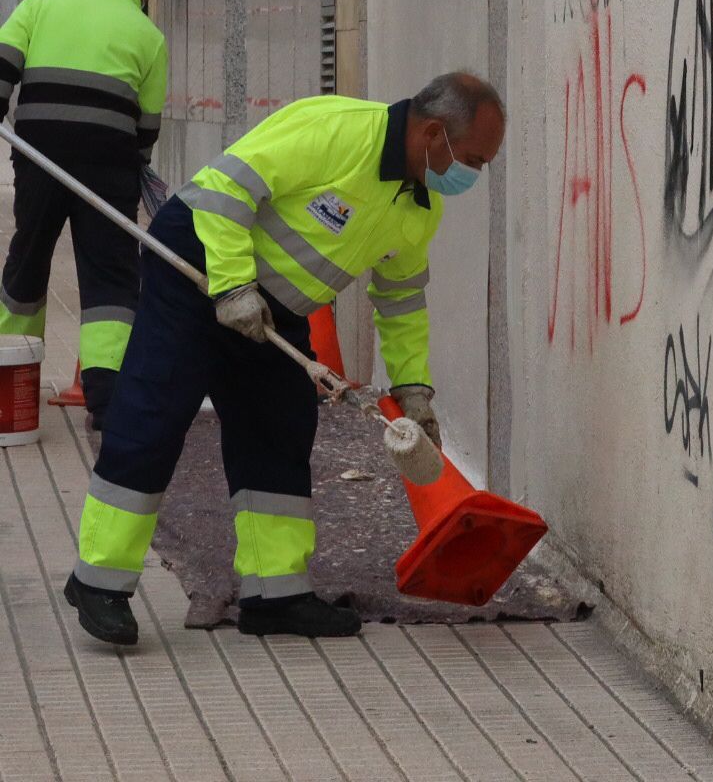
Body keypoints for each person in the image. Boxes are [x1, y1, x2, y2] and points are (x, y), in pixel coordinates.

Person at [63, 72, 505, 645]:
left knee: (280, 427)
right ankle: (98, 580)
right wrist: (230, 285)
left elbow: (399, 301)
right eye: (473, 158)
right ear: (433, 134)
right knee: (154, 414)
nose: (474, 174)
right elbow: (226, 190)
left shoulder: (418, 208)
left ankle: (274, 594)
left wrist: (414, 391)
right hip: (199, 265)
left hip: (276, 307)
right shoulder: (334, 130)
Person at [0, 0, 167, 422]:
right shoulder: (149, 36)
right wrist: (131, 168)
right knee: (110, 275)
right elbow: (147, 124)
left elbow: (3, 62)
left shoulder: (42, 4)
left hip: (40, 158)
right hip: (108, 167)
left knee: (28, 258)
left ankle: (11, 377)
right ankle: (107, 399)